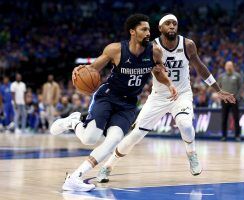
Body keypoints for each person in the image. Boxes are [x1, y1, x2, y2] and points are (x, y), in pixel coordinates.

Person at [96, 14, 236, 183]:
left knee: (185, 124)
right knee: (134, 136)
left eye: (175, 23)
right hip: (158, 96)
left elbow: (200, 67)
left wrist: (218, 89)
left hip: (182, 94)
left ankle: (192, 154)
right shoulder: (152, 47)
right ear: (160, 28)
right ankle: (108, 166)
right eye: (168, 23)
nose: (172, 26)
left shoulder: (188, 45)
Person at [50, 14, 178, 192]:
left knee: (113, 141)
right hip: (108, 96)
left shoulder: (155, 51)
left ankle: (75, 177)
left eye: (149, 29)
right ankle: (73, 121)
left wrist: (169, 84)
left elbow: (158, 71)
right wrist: (79, 71)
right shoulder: (115, 50)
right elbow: (93, 69)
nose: (149, 32)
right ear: (132, 32)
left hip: (128, 104)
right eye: (144, 29)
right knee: (90, 138)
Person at [218, 61, 241, 141]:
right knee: (224, 119)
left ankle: (237, 136)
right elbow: (218, 88)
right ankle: (224, 136)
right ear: (225, 67)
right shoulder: (221, 76)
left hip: (234, 100)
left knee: (236, 118)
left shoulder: (237, 76)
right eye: (227, 65)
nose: (229, 67)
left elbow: (240, 88)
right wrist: (221, 96)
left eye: (230, 65)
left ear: (233, 66)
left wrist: (236, 97)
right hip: (224, 101)